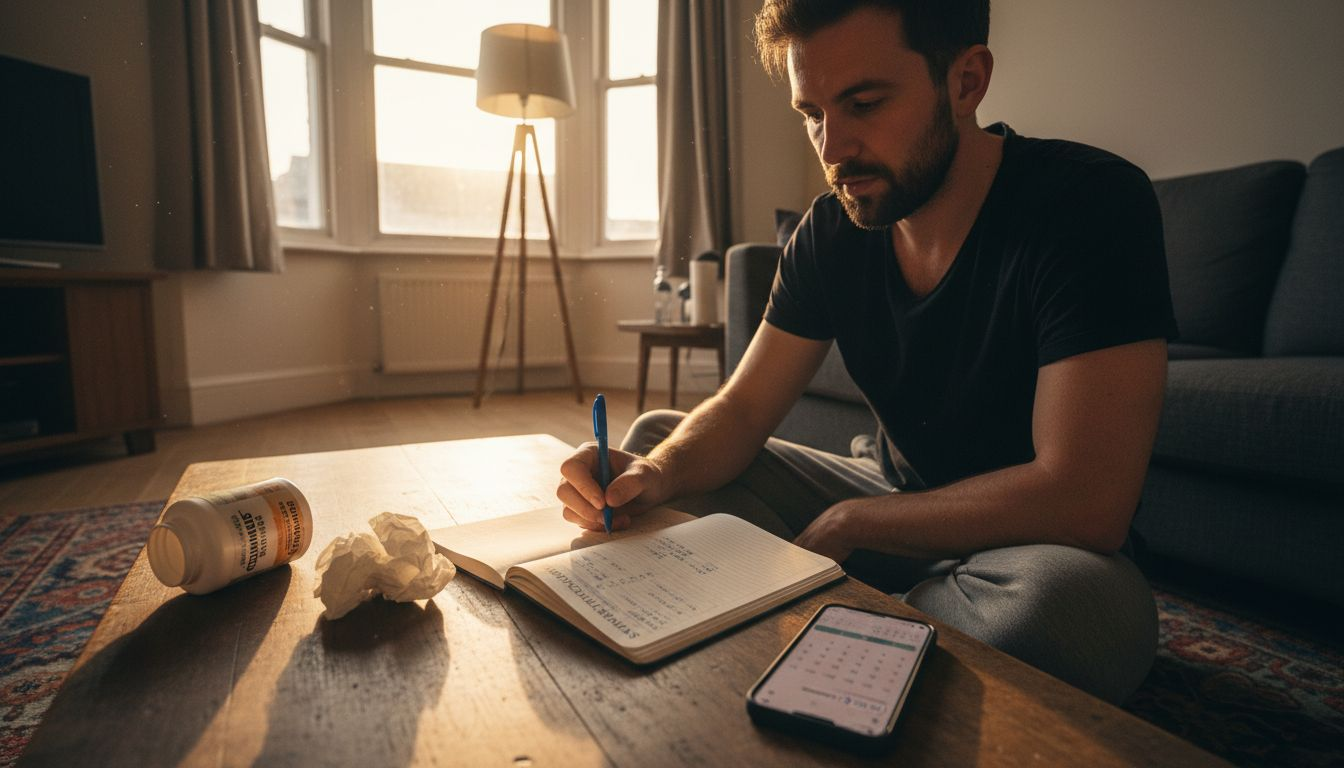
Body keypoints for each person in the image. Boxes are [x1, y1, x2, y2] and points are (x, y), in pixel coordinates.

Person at [558, 0, 1177, 704]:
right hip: (900, 497)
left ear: (966, 81)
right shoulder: (831, 232)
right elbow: (741, 408)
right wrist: (656, 475)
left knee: (1061, 619)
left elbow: (1086, 498)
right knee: (656, 444)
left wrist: (852, 523)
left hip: (1037, 550)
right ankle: (884, 621)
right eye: (813, 113)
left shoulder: (1088, 202)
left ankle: (819, 604)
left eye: (863, 103)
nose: (831, 149)